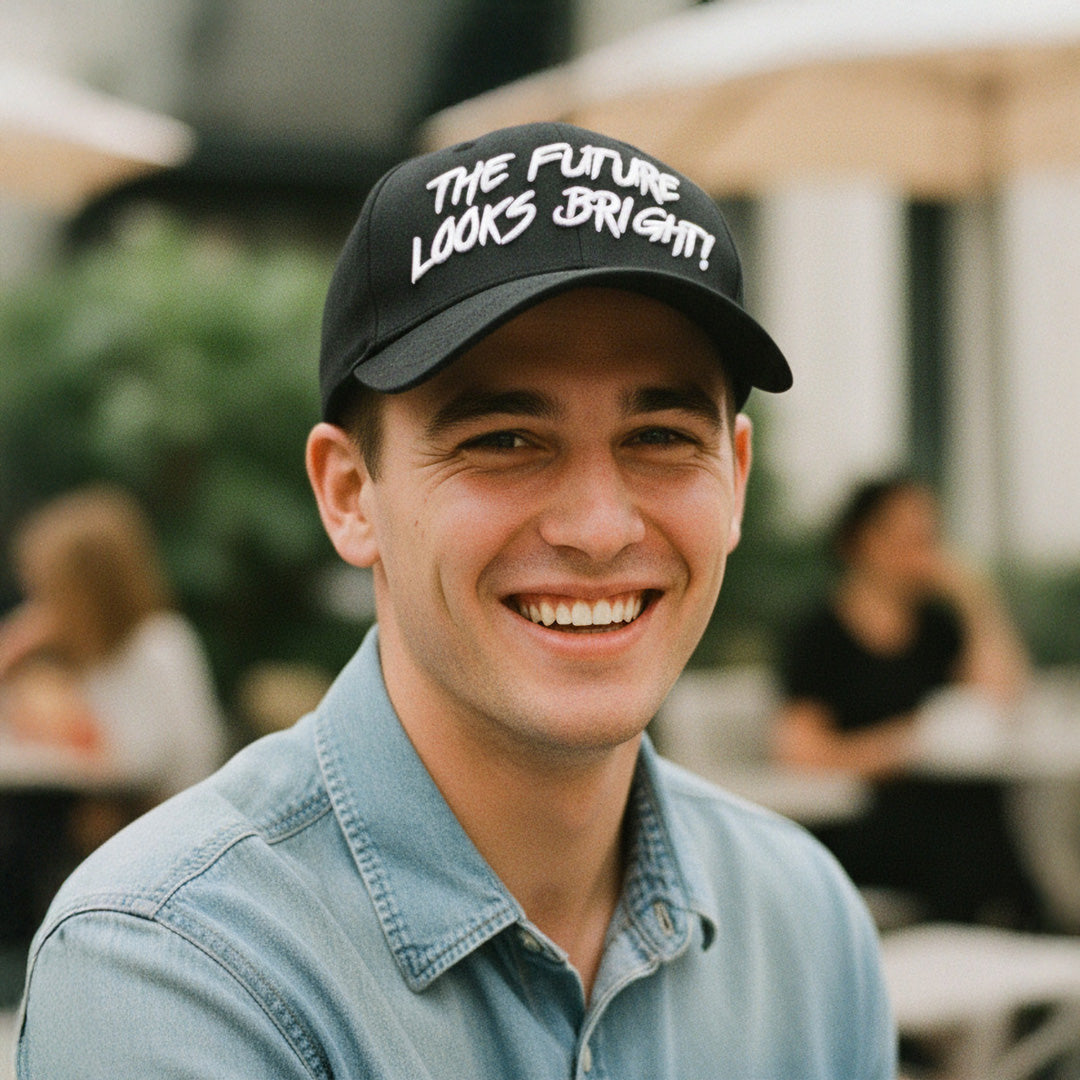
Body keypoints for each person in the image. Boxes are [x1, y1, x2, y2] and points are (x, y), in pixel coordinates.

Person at [18, 123, 896, 1077]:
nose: (600, 527)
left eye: (660, 435)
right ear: (351, 495)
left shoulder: (805, 925)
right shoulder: (175, 965)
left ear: (735, 473)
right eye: (505, 440)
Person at [773, 475, 1043, 926]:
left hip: (954, 811)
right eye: (909, 537)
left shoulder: (936, 626)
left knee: (986, 818)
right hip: (867, 818)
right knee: (973, 842)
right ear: (860, 541)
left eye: (930, 537)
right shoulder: (820, 636)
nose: (922, 550)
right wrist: (909, 747)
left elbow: (1004, 697)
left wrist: (975, 598)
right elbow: (801, 752)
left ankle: (1016, 943)